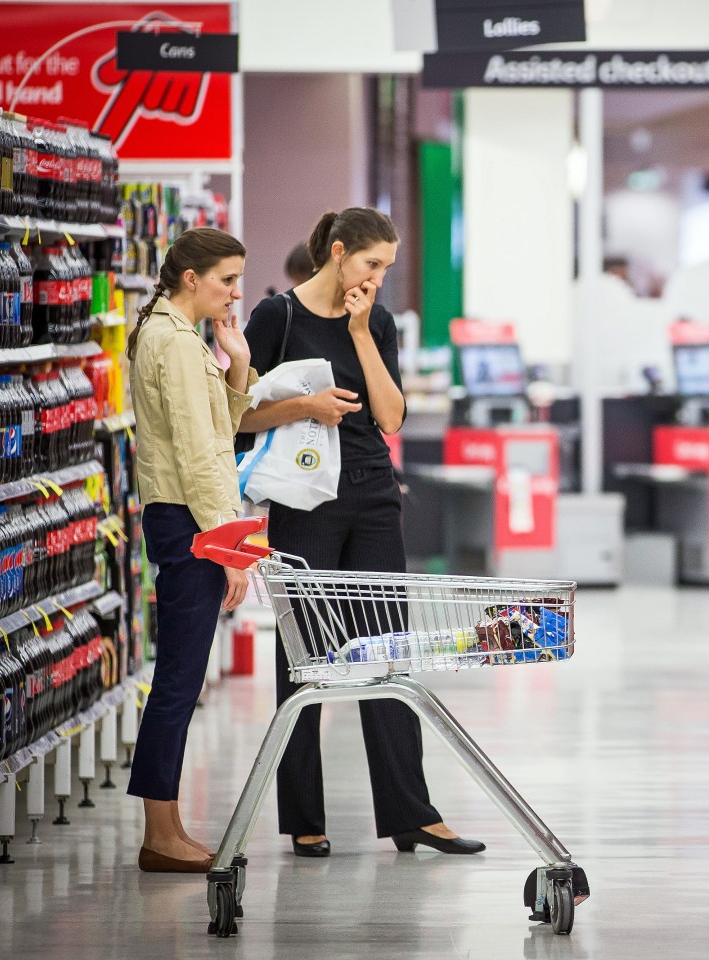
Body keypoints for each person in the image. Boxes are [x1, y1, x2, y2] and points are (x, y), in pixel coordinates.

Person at [239, 207, 483, 858]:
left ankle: (412, 814)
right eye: (373, 264)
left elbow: (393, 416)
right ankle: (304, 819)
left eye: (386, 269)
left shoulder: (377, 320)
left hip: (374, 491)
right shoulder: (277, 318)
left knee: (388, 655)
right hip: (304, 497)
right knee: (305, 659)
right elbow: (239, 413)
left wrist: (362, 334)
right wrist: (306, 407)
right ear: (340, 252)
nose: (379, 278)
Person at [125, 228, 256, 873]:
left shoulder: (179, 336)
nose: (234, 292)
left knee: (183, 675)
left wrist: (236, 364)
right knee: (179, 677)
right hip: (188, 521)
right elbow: (199, 455)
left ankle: (167, 823)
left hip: (187, 517)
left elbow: (219, 431)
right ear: (189, 277)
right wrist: (228, 543)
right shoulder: (172, 342)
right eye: (226, 279)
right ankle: (158, 832)